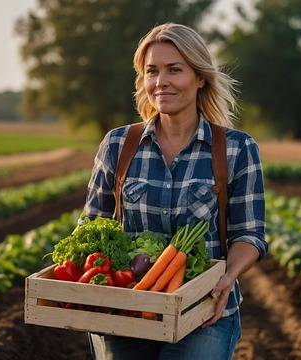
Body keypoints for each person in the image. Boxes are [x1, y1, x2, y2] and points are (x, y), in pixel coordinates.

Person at [82, 22, 267, 360]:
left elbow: (249, 234)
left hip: (204, 312)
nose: (161, 81)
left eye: (174, 70)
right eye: (152, 71)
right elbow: (92, 224)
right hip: (125, 311)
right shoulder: (118, 144)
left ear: (200, 78)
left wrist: (227, 278)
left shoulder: (237, 149)